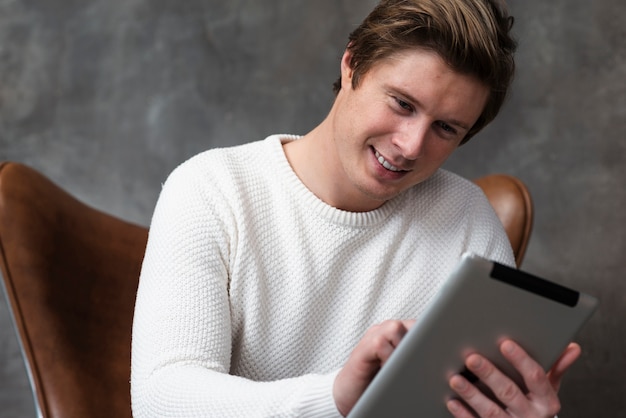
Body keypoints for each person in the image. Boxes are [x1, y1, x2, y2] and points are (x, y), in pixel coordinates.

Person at [131, 0, 581, 416]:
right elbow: (161, 398)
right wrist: (334, 397)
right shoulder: (213, 189)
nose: (409, 146)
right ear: (353, 64)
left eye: (445, 128)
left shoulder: (467, 217)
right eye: (402, 103)